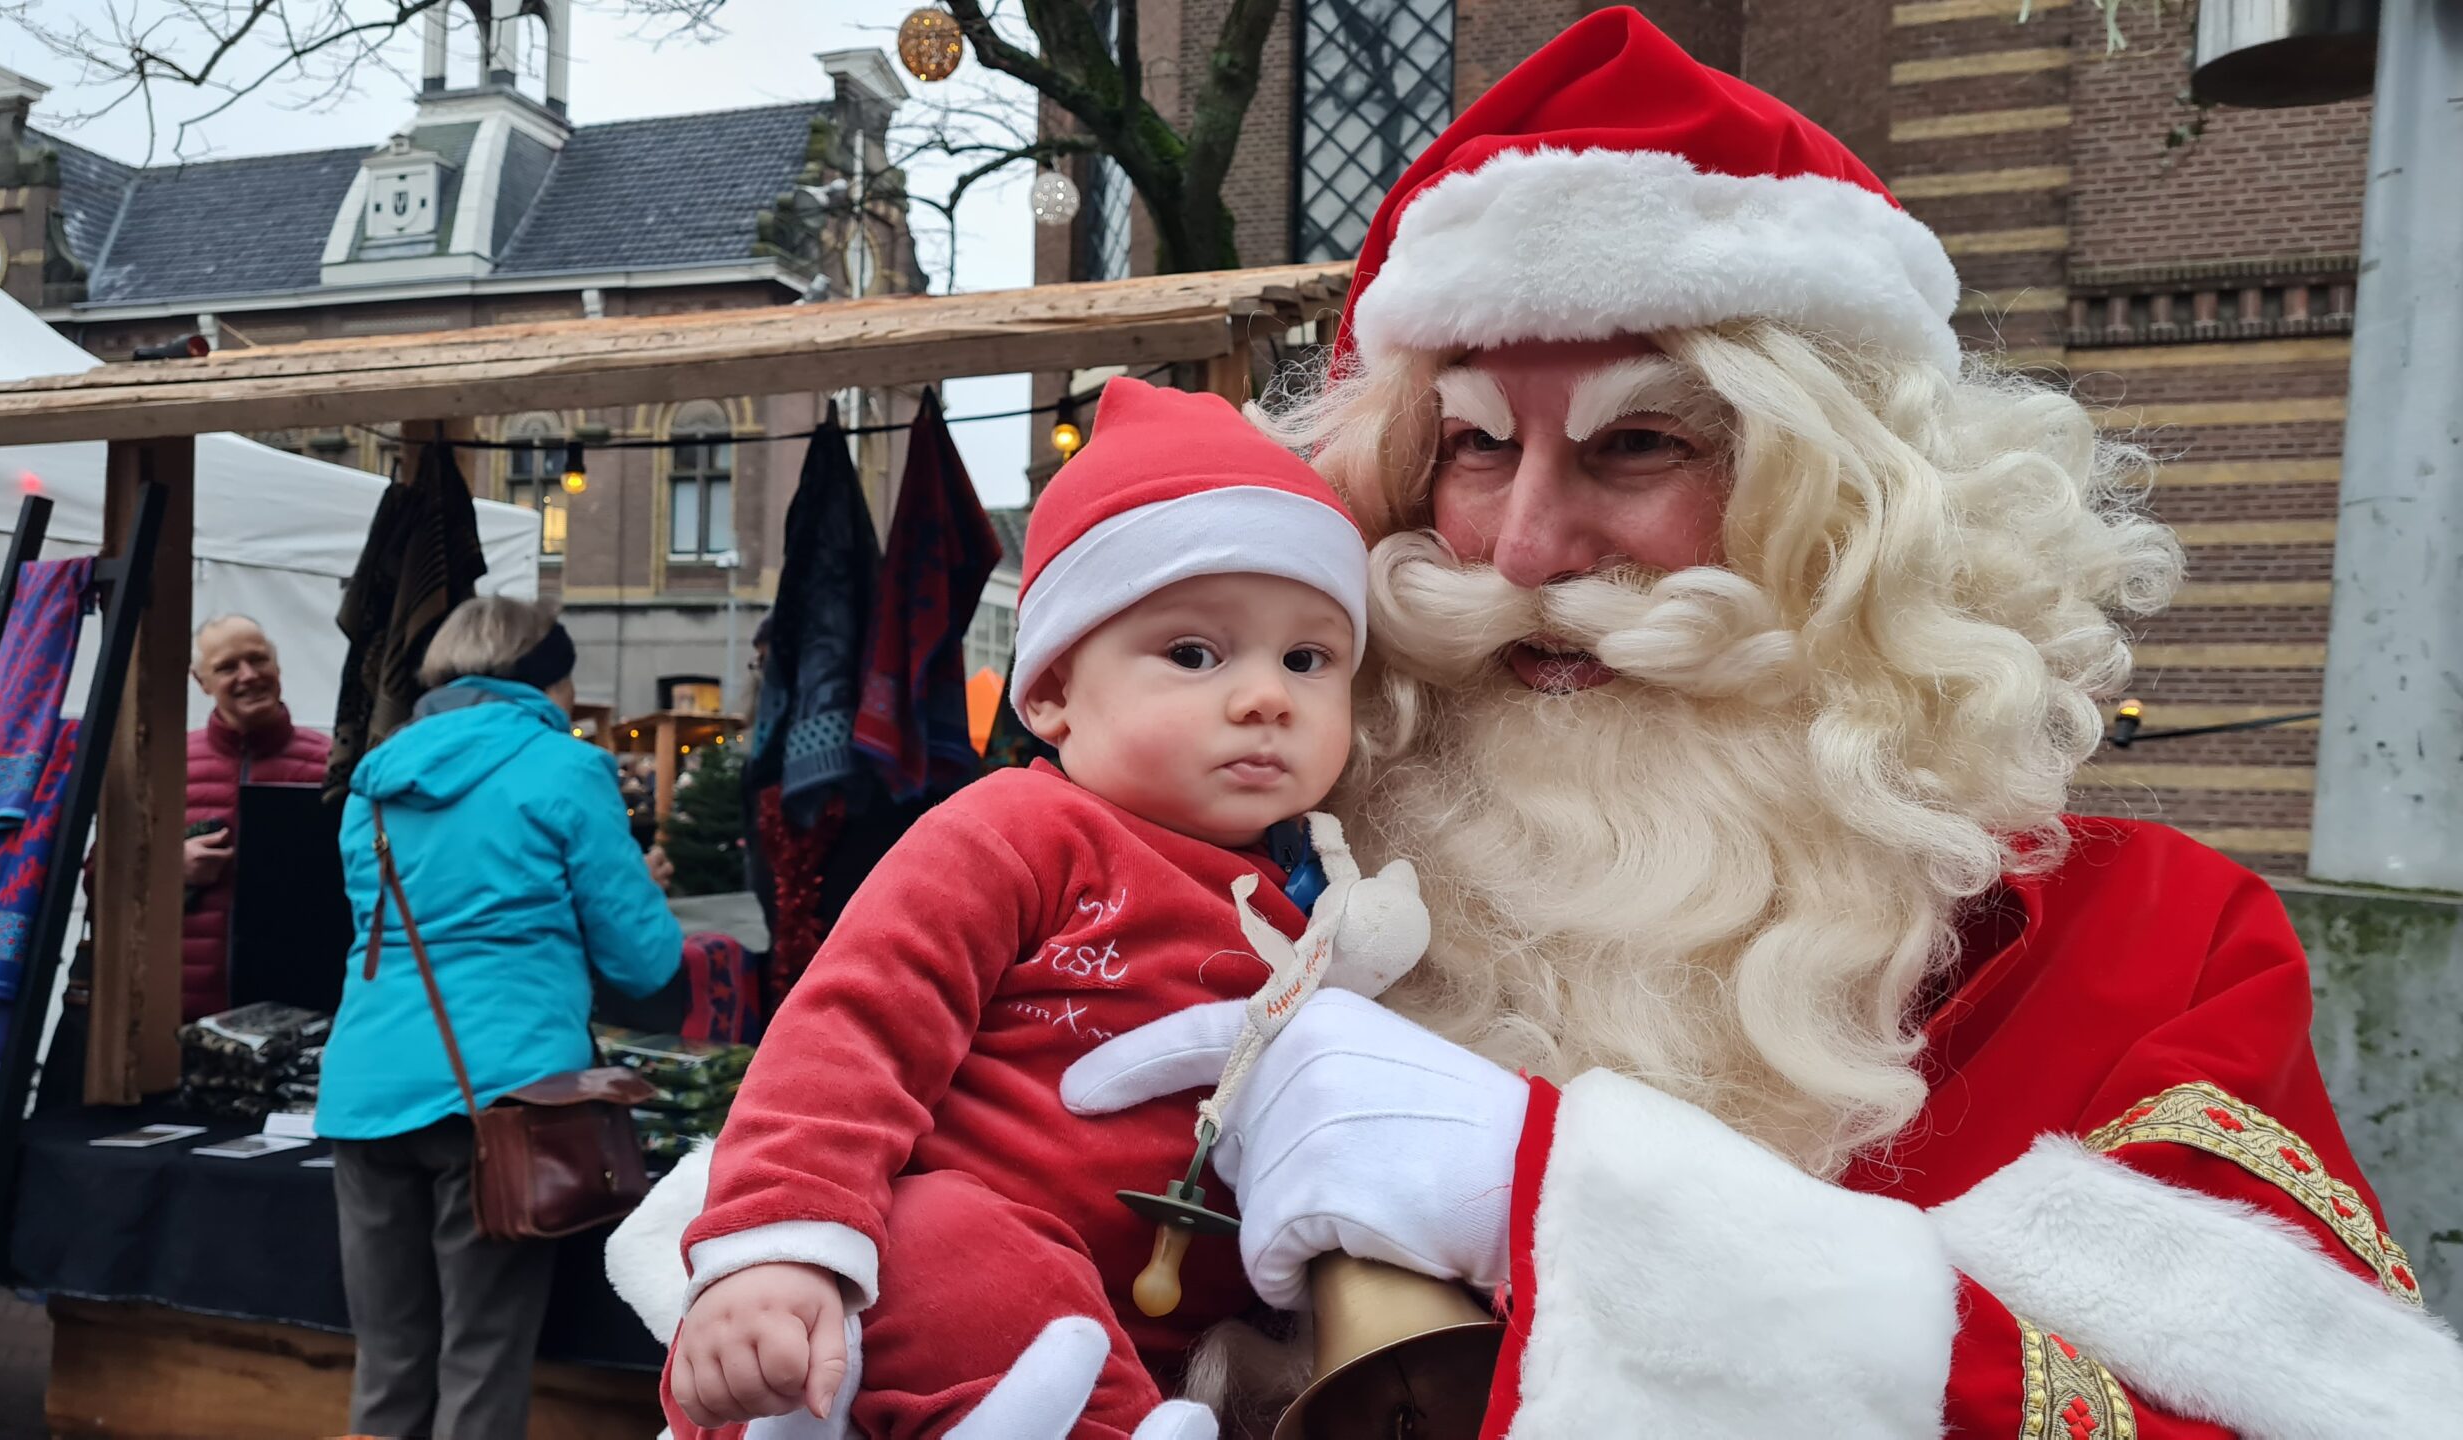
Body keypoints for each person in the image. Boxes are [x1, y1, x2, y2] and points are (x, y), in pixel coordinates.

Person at [620, 9, 2463, 1437]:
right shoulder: (1242, 873)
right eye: (1471, 445)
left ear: (1857, 519)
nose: (1521, 547)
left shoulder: (2142, 944)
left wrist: (1570, 1206)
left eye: (1645, 445)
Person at [653, 379, 1427, 1440]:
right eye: (1194, 655)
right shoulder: (1018, 829)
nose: (1266, 697)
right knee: (936, 1234)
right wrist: (778, 1245)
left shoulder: (1325, 894)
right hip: (952, 1295)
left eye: (1308, 658)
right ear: (1054, 692)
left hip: (1171, 1341)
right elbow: (853, 1026)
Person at [317, 596, 683, 1440]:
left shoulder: (375, 777)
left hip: (366, 1086)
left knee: (388, 1357)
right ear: (546, 678)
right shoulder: (564, 768)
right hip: (504, 1097)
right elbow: (643, 960)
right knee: (482, 1361)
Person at [179, 614, 329, 1021]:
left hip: (297, 1012)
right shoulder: (168, 765)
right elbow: (99, 874)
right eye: (227, 667)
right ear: (201, 681)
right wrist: (169, 869)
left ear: (277, 667)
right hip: (182, 1014)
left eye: (258, 660)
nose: (248, 676)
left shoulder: (332, 767)